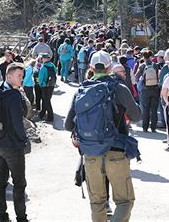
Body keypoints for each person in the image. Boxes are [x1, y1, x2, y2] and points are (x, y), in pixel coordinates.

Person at [64, 50, 142, 222]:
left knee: (97, 202)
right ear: (109, 68)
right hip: (116, 150)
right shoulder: (119, 88)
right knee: (124, 201)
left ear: (91, 67)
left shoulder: (82, 89)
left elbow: (68, 125)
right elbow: (137, 116)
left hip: (91, 153)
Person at [0, 63, 29, 222]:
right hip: (12, 146)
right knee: (19, 183)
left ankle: (2, 216)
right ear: (9, 76)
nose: (22, 78)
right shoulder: (13, 95)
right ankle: (21, 218)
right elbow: (17, 122)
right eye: (19, 75)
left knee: (0, 181)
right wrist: (24, 140)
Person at [135, 50, 160, 132]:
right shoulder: (155, 65)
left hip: (145, 90)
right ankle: (153, 128)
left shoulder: (142, 66)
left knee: (145, 109)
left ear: (144, 57)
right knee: (154, 109)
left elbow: (136, 77)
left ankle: (145, 127)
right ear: (150, 57)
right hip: (155, 89)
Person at [38, 53, 57, 122]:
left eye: (42, 58)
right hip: (52, 85)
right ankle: (42, 114)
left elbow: (40, 79)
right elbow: (56, 72)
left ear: (45, 59)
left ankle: (50, 117)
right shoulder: (53, 65)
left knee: (46, 101)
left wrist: (41, 84)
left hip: (45, 86)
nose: (42, 59)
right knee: (46, 100)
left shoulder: (43, 68)